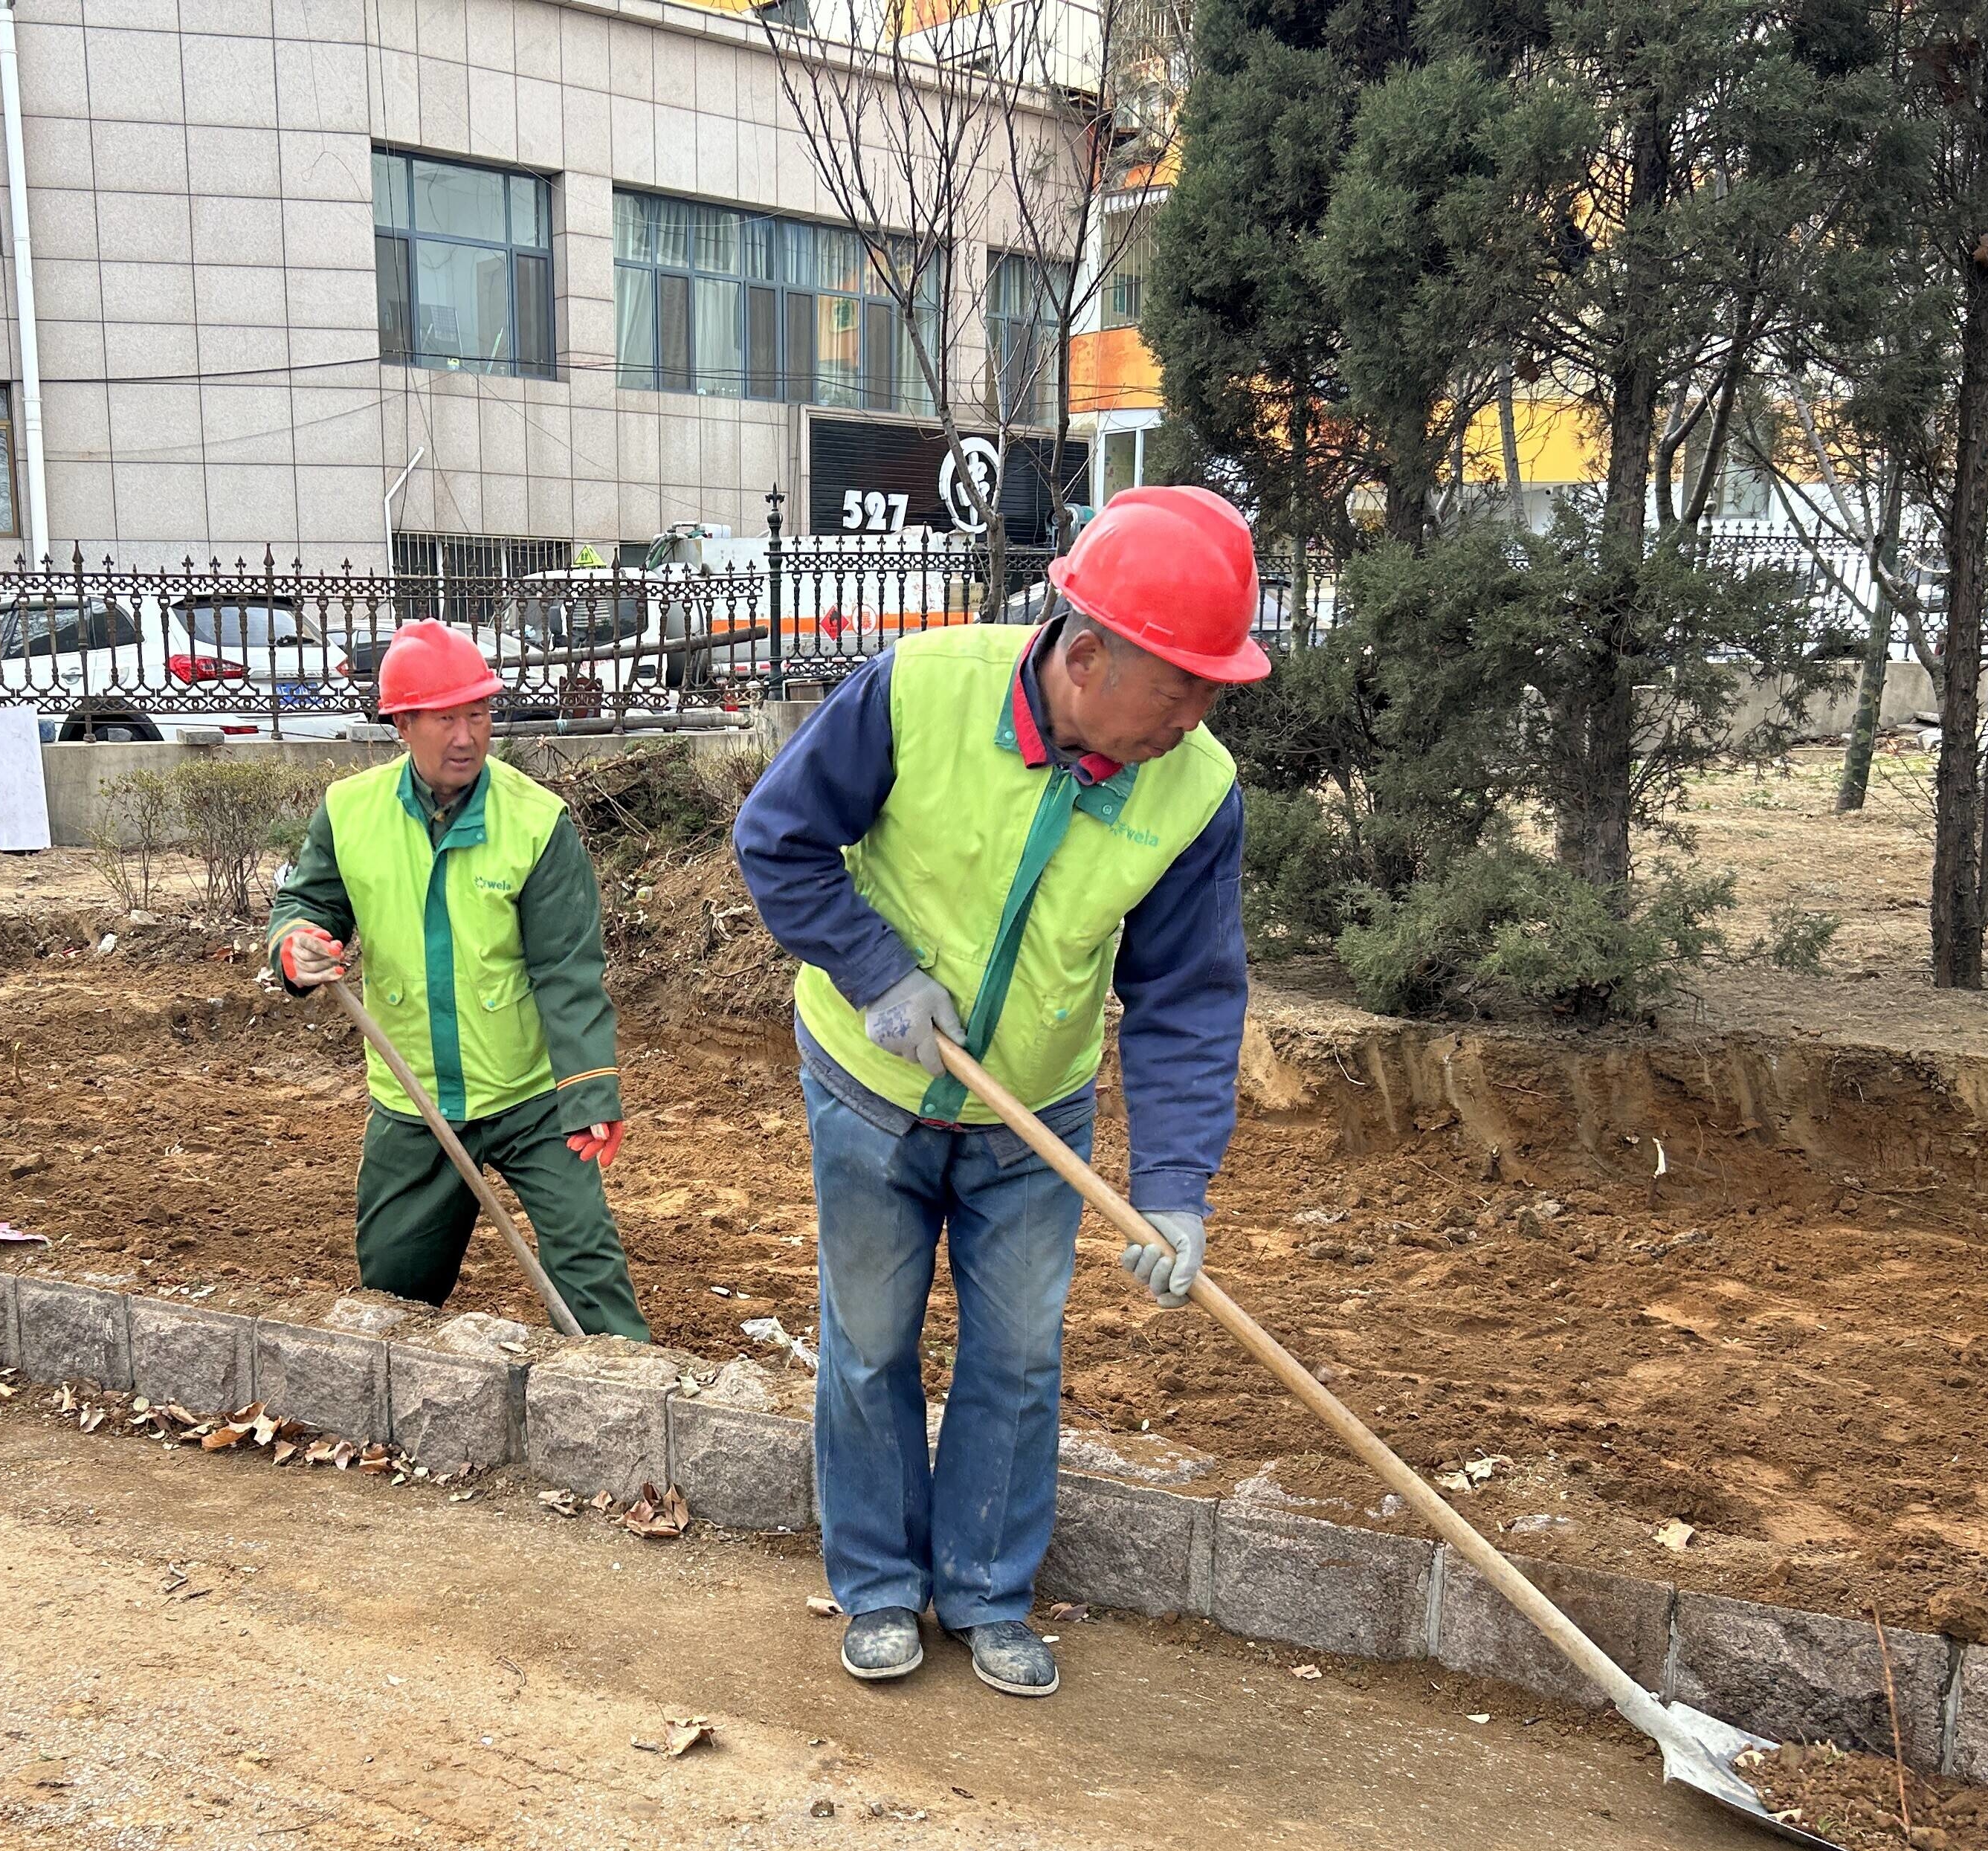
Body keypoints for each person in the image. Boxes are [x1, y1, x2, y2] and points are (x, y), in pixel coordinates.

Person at [734, 486, 1265, 1699]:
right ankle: (875, 1584)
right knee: (869, 1342)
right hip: (871, 1081)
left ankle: (983, 1589)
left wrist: (1174, 1186)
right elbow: (777, 837)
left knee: (1017, 1355)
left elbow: (1186, 993)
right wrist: (877, 969)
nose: (1197, 714)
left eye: (1211, 687)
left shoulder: (1195, 789)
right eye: (1180, 684)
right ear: (1084, 655)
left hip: (1035, 1108)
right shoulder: (916, 691)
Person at [268, 621, 648, 1337]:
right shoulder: (350, 813)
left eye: (479, 713)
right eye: (446, 718)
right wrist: (296, 946)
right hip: (413, 1099)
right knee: (392, 1290)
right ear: (402, 724)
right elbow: (307, 905)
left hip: (529, 1096)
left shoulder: (536, 822)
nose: (468, 735)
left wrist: (590, 1090)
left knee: (590, 1275)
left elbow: (567, 968)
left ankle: (635, 1404)